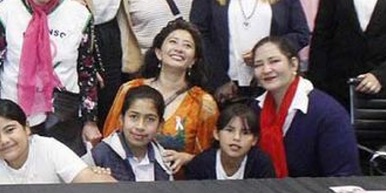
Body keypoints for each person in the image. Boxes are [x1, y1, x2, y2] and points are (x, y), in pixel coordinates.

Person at [0, 0, 101, 155]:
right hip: (14, 116)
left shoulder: (79, 14)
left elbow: (87, 72)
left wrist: (90, 120)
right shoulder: (4, 12)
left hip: (63, 116)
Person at [102, 19, 218, 175]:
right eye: (173, 42)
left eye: (187, 46)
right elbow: (109, 140)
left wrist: (188, 159)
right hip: (124, 179)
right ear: (158, 52)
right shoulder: (130, 89)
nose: (179, 49)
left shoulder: (203, 103)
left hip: (178, 184)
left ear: (194, 60)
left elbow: (210, 160)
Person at [251, 35, 359, 177]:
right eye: (258, 65)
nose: (266, 70)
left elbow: (344, 176)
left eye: (274, 61)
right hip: (266, 188)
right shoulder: (255, 109)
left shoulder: (327, 113)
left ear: (294, 64)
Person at [0, 100, 114, 185]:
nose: (4, 140)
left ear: (26, 128)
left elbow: (87, 178)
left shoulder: (48, 148)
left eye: (10, 130)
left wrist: (103, 181)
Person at [90, 85, 173, 182]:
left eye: (150, 119)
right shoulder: (99, 155)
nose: (140, 126)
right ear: (121, 119)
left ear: (160, 125)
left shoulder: (164, 161)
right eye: (134, 117)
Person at [184, 100, 276, 180]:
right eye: (229, 130)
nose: (237, 138)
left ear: (254, 140)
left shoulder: (261, 164)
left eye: (245, 133)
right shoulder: (201, 164)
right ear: (216, 133)